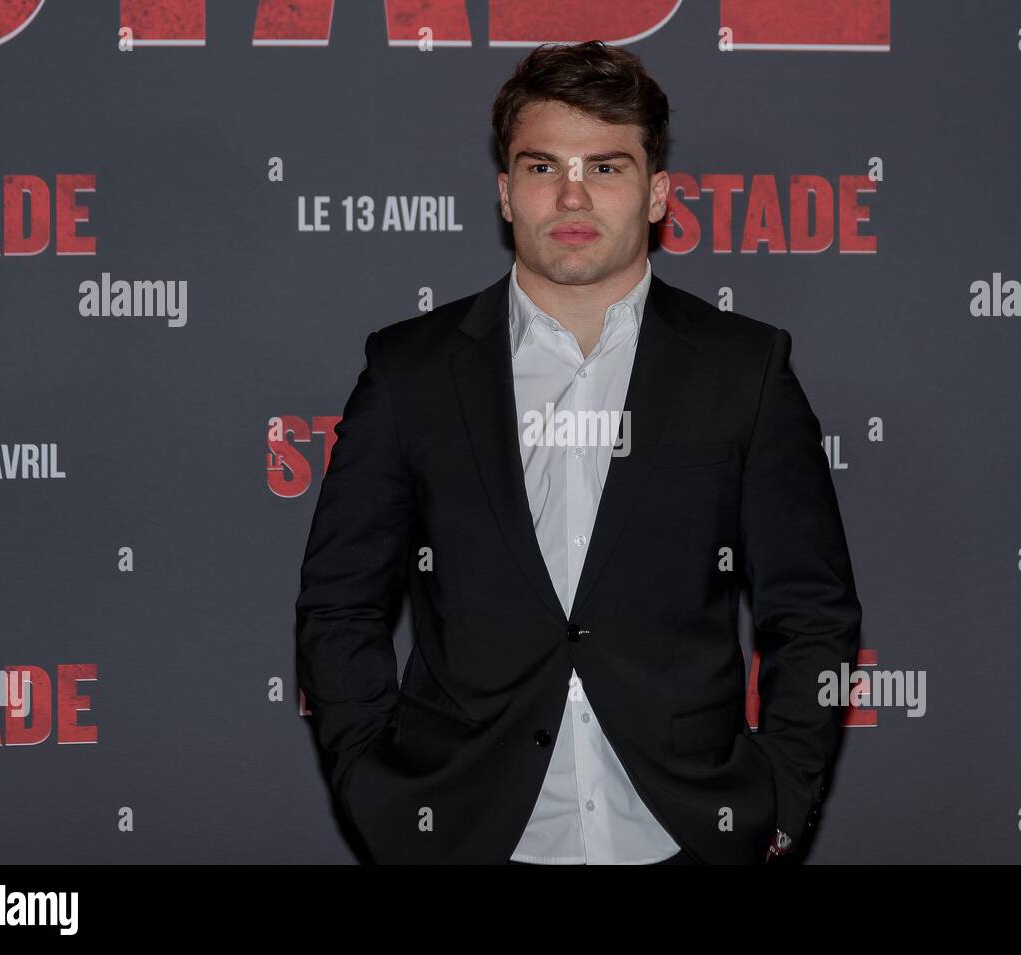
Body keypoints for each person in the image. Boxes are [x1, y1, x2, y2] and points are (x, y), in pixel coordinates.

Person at [294, 40, 862, 865]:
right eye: (540, 166)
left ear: (657, 192)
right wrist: (369, 782)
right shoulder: (410, 370)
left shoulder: (744, 369)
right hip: (464, 835)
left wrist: (779, 794)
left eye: (605, 167)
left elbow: (813, 610)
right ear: (505, 193)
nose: (571, 194)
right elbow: (339, 602)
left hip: (686, 834)